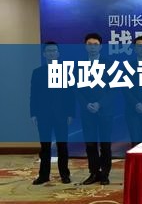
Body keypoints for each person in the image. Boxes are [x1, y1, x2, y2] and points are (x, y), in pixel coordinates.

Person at [30, 42, 75, 185]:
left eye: (54, 50)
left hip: (61, 114)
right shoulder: (37, 72)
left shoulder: (65, 71)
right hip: (43, 115)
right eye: (48, 51)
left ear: (58, 54)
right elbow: (33, 95)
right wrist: (33, 113)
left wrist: (71, 113)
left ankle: (64, 174)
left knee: (62, 146)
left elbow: (70, 95)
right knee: (45, 147)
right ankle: (44, 175)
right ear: (44, 54)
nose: (51, 53)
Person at [77, 33, 113, 185]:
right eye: (89, 44)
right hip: (87, 111)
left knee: (105, 145)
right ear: (85, 46)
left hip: (105, 111)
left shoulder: (110, 64)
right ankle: (94, 173)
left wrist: (100, 104)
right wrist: (86, 104)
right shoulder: (79, 65)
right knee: (90, 145)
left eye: (95, 44)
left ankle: (105, 174)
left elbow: (113, 89)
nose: (92, 47)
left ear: (100, 47)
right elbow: (77, 89)